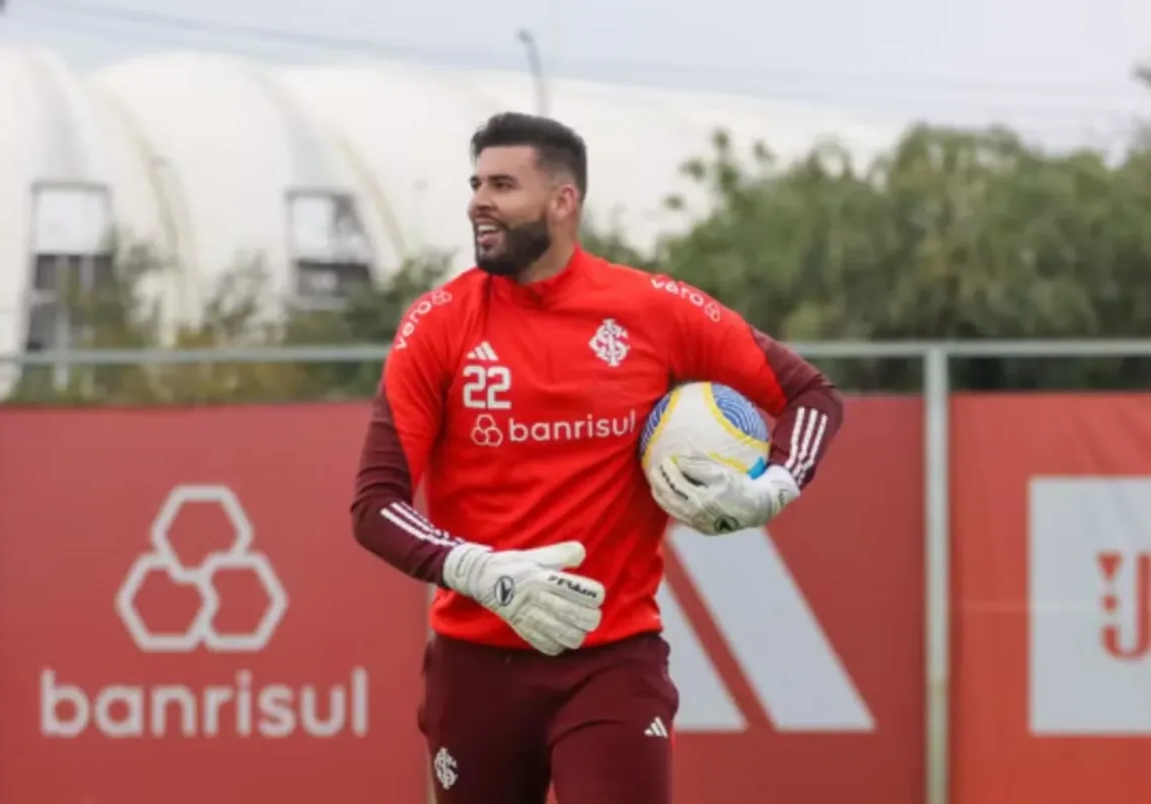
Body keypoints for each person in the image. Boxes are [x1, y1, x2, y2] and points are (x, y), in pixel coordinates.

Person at [350, 111, 844, 804]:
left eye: (502, 184)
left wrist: (772, 487)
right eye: (475, 183)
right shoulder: (438, 324)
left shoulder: (651, 309)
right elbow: (375, 506)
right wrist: (480, 571)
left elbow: (812, 396)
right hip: (474, 666)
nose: (478, 201)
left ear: (563, 201)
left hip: (613, 661)